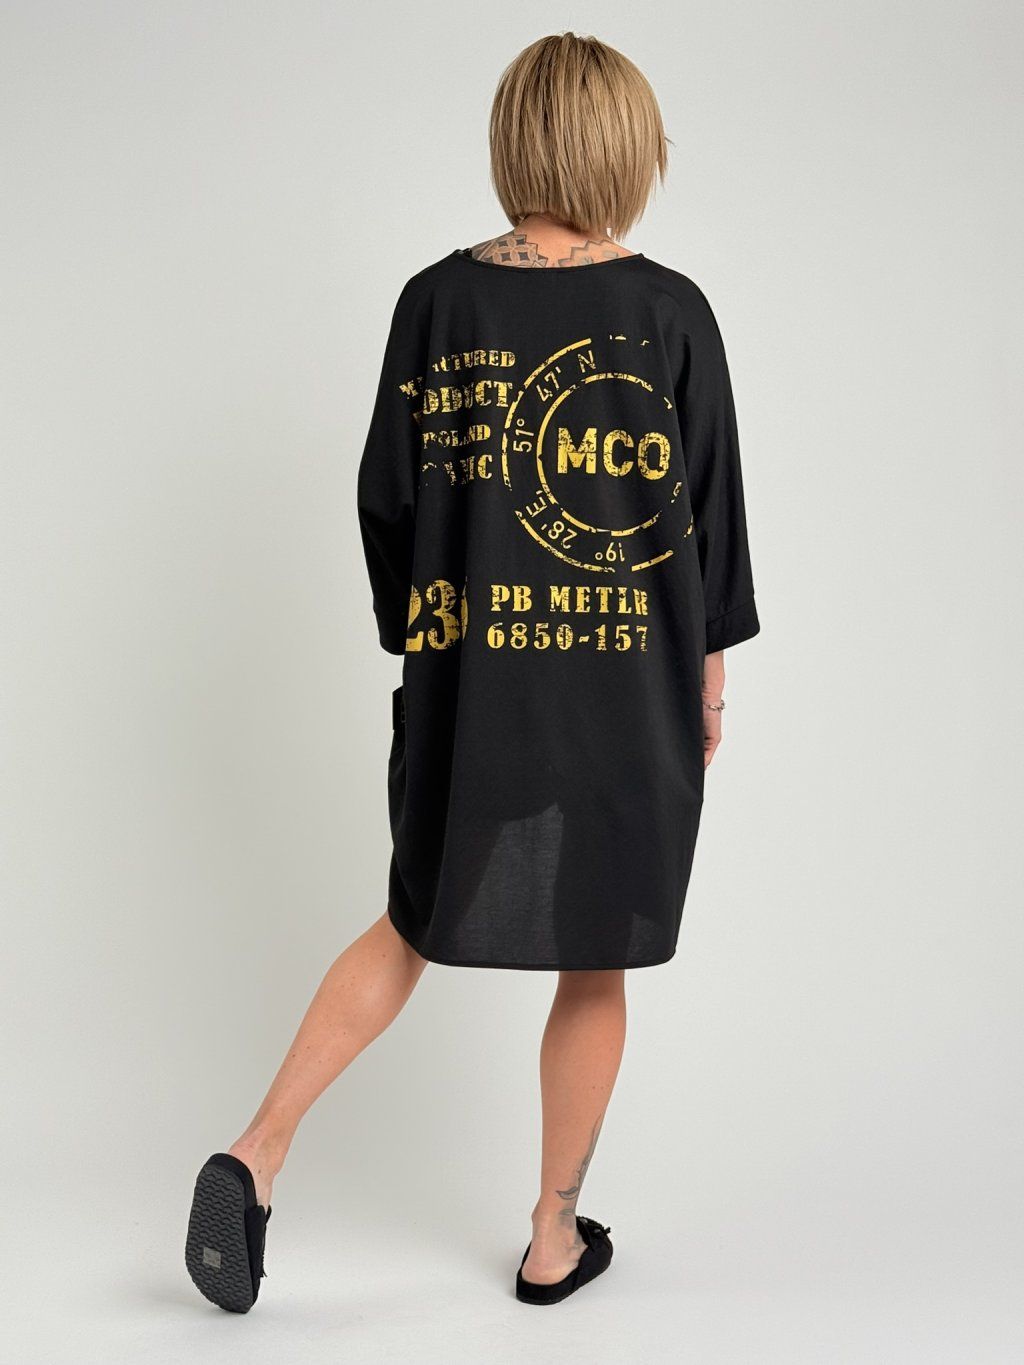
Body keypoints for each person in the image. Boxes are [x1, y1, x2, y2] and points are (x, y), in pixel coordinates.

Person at [185, 30, 760, 1312]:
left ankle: (257, 1150)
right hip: (627, 694)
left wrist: (436, 649)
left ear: (516, 143)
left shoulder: (436, 303)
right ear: (627, 151)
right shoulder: (671, 313)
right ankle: (553, 1240)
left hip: (471, 682)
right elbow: (710, 525)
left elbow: (388, 501)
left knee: (410, 920)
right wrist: (707, 686)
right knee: (597, 954)